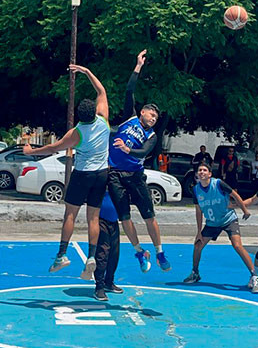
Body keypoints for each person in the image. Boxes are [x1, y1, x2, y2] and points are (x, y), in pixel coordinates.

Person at [23, 64, 109, 279]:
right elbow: (101, 91)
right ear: (95, 112)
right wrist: (87, 71)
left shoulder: (77, 133)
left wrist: (31, 150)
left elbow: (53, 148)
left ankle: (62, 254)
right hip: (101, 174)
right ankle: (91, 257)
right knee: (94, 217)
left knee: (70, 213)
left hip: (82, 174)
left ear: (80, 116)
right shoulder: (104, 120)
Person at [108, 49, 170, 272]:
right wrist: (138, 66)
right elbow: (129, 90)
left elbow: (143, 153)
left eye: (156, 118)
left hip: (135, 176)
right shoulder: (130, 118)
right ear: (142, 112)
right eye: (151, 115)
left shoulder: (152, 136)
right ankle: (139, 251)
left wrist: (126, 148)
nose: (153, 119)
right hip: (114, 173)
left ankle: (159, 251)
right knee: (124, 217)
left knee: (148, 216)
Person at [183, 163, 258, 291]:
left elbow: (234, 195)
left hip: (228, 219)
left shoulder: (218, 184)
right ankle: (195, 273)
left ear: (209, 174)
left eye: (204, 170)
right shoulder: (196, 190)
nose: (201, 172)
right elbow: (198, 211)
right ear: (197, 174)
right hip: (212, 223)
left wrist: (244, 210)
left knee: (237, 245)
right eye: (199, 170)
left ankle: (255, 277)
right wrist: (198, 232)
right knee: (197, 245)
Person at [93, 192, 123, 301]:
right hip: (101, 220)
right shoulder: (103, 178)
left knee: (114, 253)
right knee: (102, 252)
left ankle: (109, 282)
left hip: (114, 221)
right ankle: (99, 286)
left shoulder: (118, 180)